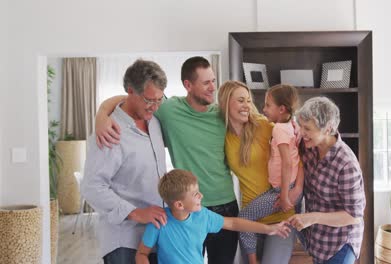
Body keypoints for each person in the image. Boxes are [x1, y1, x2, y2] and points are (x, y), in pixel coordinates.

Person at [94, 56, 239, 263]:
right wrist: (101, 114)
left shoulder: (222, 114)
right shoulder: (168, 110)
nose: (212, 88)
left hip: (225, 204)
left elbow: (251, 116)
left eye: (214, 81)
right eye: (206, 82)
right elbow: (130, 97)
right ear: (188, 85)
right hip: (186, 207)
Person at [81, 59, 168, 264]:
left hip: (156, 236)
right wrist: (135, 213)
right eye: (149, 100)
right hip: (125, 241)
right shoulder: (110, 132)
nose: (155, 107)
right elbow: (92, 187)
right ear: (131, 91)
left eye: (159, 100)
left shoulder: (154, 122)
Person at [217, 81, 303, 264]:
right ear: (225, 103)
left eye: (248, 100)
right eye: (241, 100)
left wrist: (297, 189)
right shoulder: (223, 135)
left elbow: (298, 155)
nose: (247, 105)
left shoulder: (266, 126)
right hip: (251, 219)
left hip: (281, 215)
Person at [135, 169, 290, 264]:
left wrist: (268, 229)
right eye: (196, 194)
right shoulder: (158, 222)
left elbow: (234, 224)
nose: (201, 196)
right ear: (179, 205)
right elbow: (142, 254)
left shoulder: (203, 216)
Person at [287, 97, 366, 264]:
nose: (301, 132)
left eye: (307, 128)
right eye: (301, 126)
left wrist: (312, 217)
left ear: (328, 129)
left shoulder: (346, 164)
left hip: (340, 242)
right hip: (318, 240)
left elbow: (353, 216)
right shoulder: (309, 147)